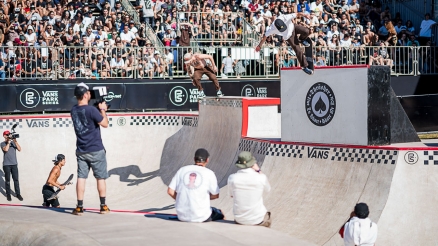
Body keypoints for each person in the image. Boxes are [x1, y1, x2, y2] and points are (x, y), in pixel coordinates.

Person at [70, 82, 110, 215]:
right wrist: (103, 109)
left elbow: (85, 115)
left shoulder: (73, 110)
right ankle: (103, 206)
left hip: (81, 149)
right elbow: (105, 124)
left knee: (81, 177)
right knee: (100, 178)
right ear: (86, 95)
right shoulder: (92, 110)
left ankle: (79, 206)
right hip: (96, 148)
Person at [167, 148, 225, 222]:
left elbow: (170, 191)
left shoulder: (182, 170)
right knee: (220, 212)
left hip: (182, 216)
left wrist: (183, 198)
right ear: (207, 160)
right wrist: (199, 198)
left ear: (194, 159)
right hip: (201, 217)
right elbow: (216, 195)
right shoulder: (209, 173)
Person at [227, 151, 271, 227]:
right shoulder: (261, 178)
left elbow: (231, 195)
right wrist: (258, 170)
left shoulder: (232, 178)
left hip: (239, 220)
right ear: (252, 164)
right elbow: (268, 189)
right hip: (258, 220)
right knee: (268, 216)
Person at [1, 131, 22, 201]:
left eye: (9, 134)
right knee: (7, 180)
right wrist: (9, 142)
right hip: (6, 165)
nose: (8, 136)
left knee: (16, 180)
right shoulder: (2, 143)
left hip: (14, 164)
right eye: (7, 135)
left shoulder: (13, 143)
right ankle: (8, 194)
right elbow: (6, 150)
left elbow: (19, 149)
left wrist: (15, 141)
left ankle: (18, 194)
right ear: (4, 136)